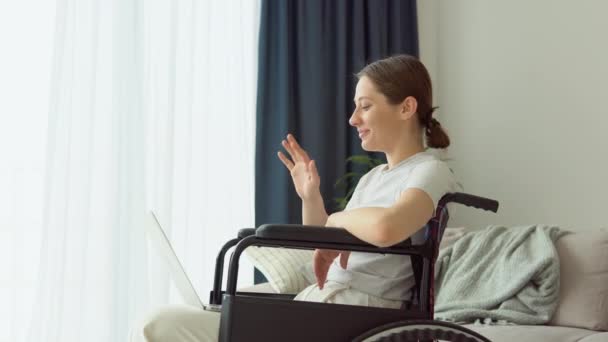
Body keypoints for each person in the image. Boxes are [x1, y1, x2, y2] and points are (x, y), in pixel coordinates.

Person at [131, 54, 460, 341]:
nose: (352, 119)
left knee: (160, 325)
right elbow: (326, 246)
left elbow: (388, 228)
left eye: (365, 106)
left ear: (406, 107)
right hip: (327, 304)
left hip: (358, 314)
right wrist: (311, 196)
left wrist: (336, 218)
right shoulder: (374, 178)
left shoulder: (430, 171)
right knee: (165, 323)